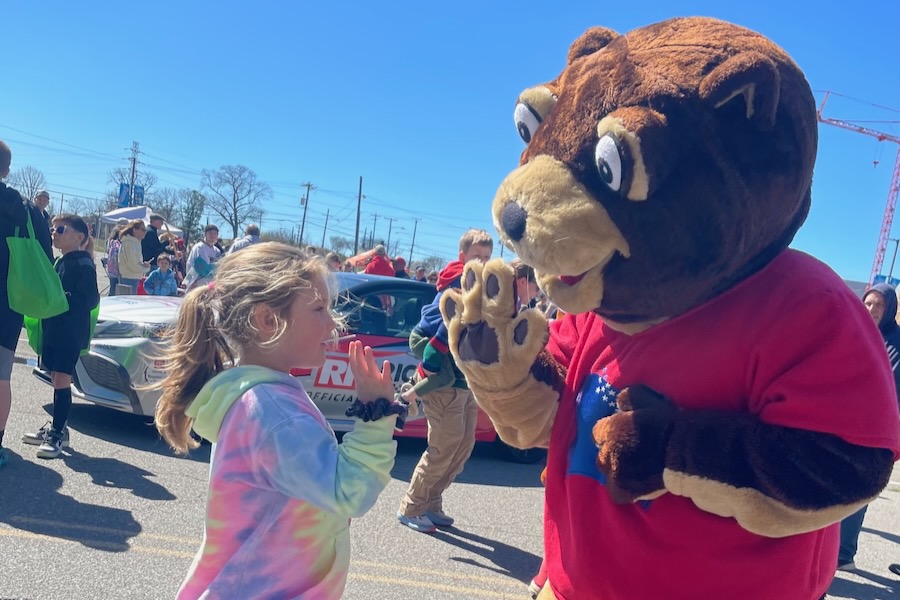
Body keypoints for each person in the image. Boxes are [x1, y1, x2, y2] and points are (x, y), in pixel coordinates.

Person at [154, 243, 403, 599]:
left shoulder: (262, 398)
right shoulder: (273, 413)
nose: (334, 323)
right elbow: (348, 492)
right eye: (319, 309)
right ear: (268, 320)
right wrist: (375, 412)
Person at [397, 228, 493, 532]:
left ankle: (432, 501)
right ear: (463, 257)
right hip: (444, 382)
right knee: (443, 447)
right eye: (477, 256)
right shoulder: (455, 288)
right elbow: (438, 336)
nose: (483, 263)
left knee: (462, 447)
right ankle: (411, 507)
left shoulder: (480, 290)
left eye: (488, 258)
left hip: (464, 384)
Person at [22, 214, 99, 459]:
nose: (54, 233)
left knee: (61, 379)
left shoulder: (83, 263)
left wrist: (61, 297)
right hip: (55, 329)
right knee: (56, 377)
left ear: (79, 236)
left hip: (70, 332)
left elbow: (90, 299)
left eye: (61, 229)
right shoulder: (60, 261)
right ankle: (60, 429)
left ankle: (57, 434)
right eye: (53, 229)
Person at [836, 282, 900, 571]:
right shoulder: (856, 332)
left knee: (857, 492)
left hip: (873, 432)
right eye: (869, 303)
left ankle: (844, 554)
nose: (872, 310)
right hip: (844, 425)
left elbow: (888, 391)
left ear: (890, 310)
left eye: (880, 305)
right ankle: (838, 552)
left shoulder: (895, 344)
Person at [0, 140, 54, 467]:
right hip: (9, 301)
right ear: (6, 170)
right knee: (1, 377)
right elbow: (45, 258)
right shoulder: (27, 208)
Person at [183, 224, 222, 291]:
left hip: (210, 283)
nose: (212, 235)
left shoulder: (216, 250)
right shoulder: (200, 247)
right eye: (210, 233)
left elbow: (219, 266)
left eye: (215, 233)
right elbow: (203, 268)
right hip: (196, 282)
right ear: (205, 234)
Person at [117, 219, 150, 292]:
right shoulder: (130, 244)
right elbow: (133, 265)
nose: (145, 232)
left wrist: (143, 265)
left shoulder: (134, 243)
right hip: (130, 278)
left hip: (131, 276)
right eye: (143, 229)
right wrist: (146, 268)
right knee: (128, 301)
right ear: (134, 230)